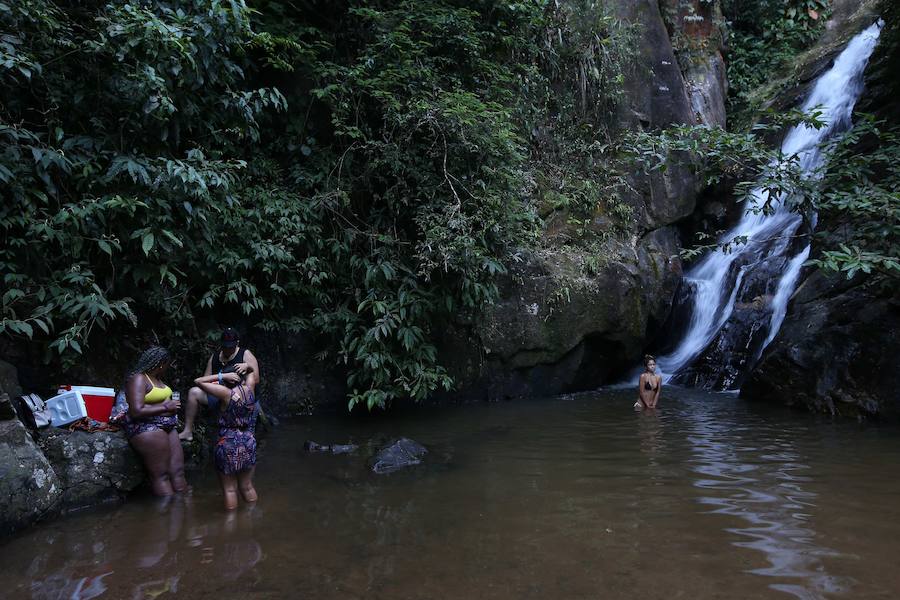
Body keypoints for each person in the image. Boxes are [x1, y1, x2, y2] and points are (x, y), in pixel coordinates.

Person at [123, 346, 188, 496]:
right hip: (145, 426)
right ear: (160, 364)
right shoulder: (139, 378)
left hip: (167, 424)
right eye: (167, 364)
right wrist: (165, 406)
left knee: (178, 471)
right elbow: (136, 410)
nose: (167, 367)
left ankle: (184, 510)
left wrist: (170, 408)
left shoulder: (158, 379)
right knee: (162, 475)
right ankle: (166, 512)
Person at [194, 368, 259, 510]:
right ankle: (253, 518)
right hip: (248, 441)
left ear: (229, 379)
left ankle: (230, 525)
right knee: (247, 486)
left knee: (230, 490)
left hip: (228, 443)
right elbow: (252, 372)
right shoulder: (250, 388)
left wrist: (221, 375)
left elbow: (198, 381)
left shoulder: (226, 393)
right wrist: (247, 367)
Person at [179, 327, 260, 441]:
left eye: (230, 346)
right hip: (221, 394)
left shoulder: (245, 354)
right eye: (225, 346)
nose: (227, 349)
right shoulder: (215, 357)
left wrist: (246, 368)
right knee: (193, 392)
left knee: (245, 436)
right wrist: (222, 378)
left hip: (241, 399)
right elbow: (204, 380)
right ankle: (187, 431)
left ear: (237, 343)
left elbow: (255, 380)